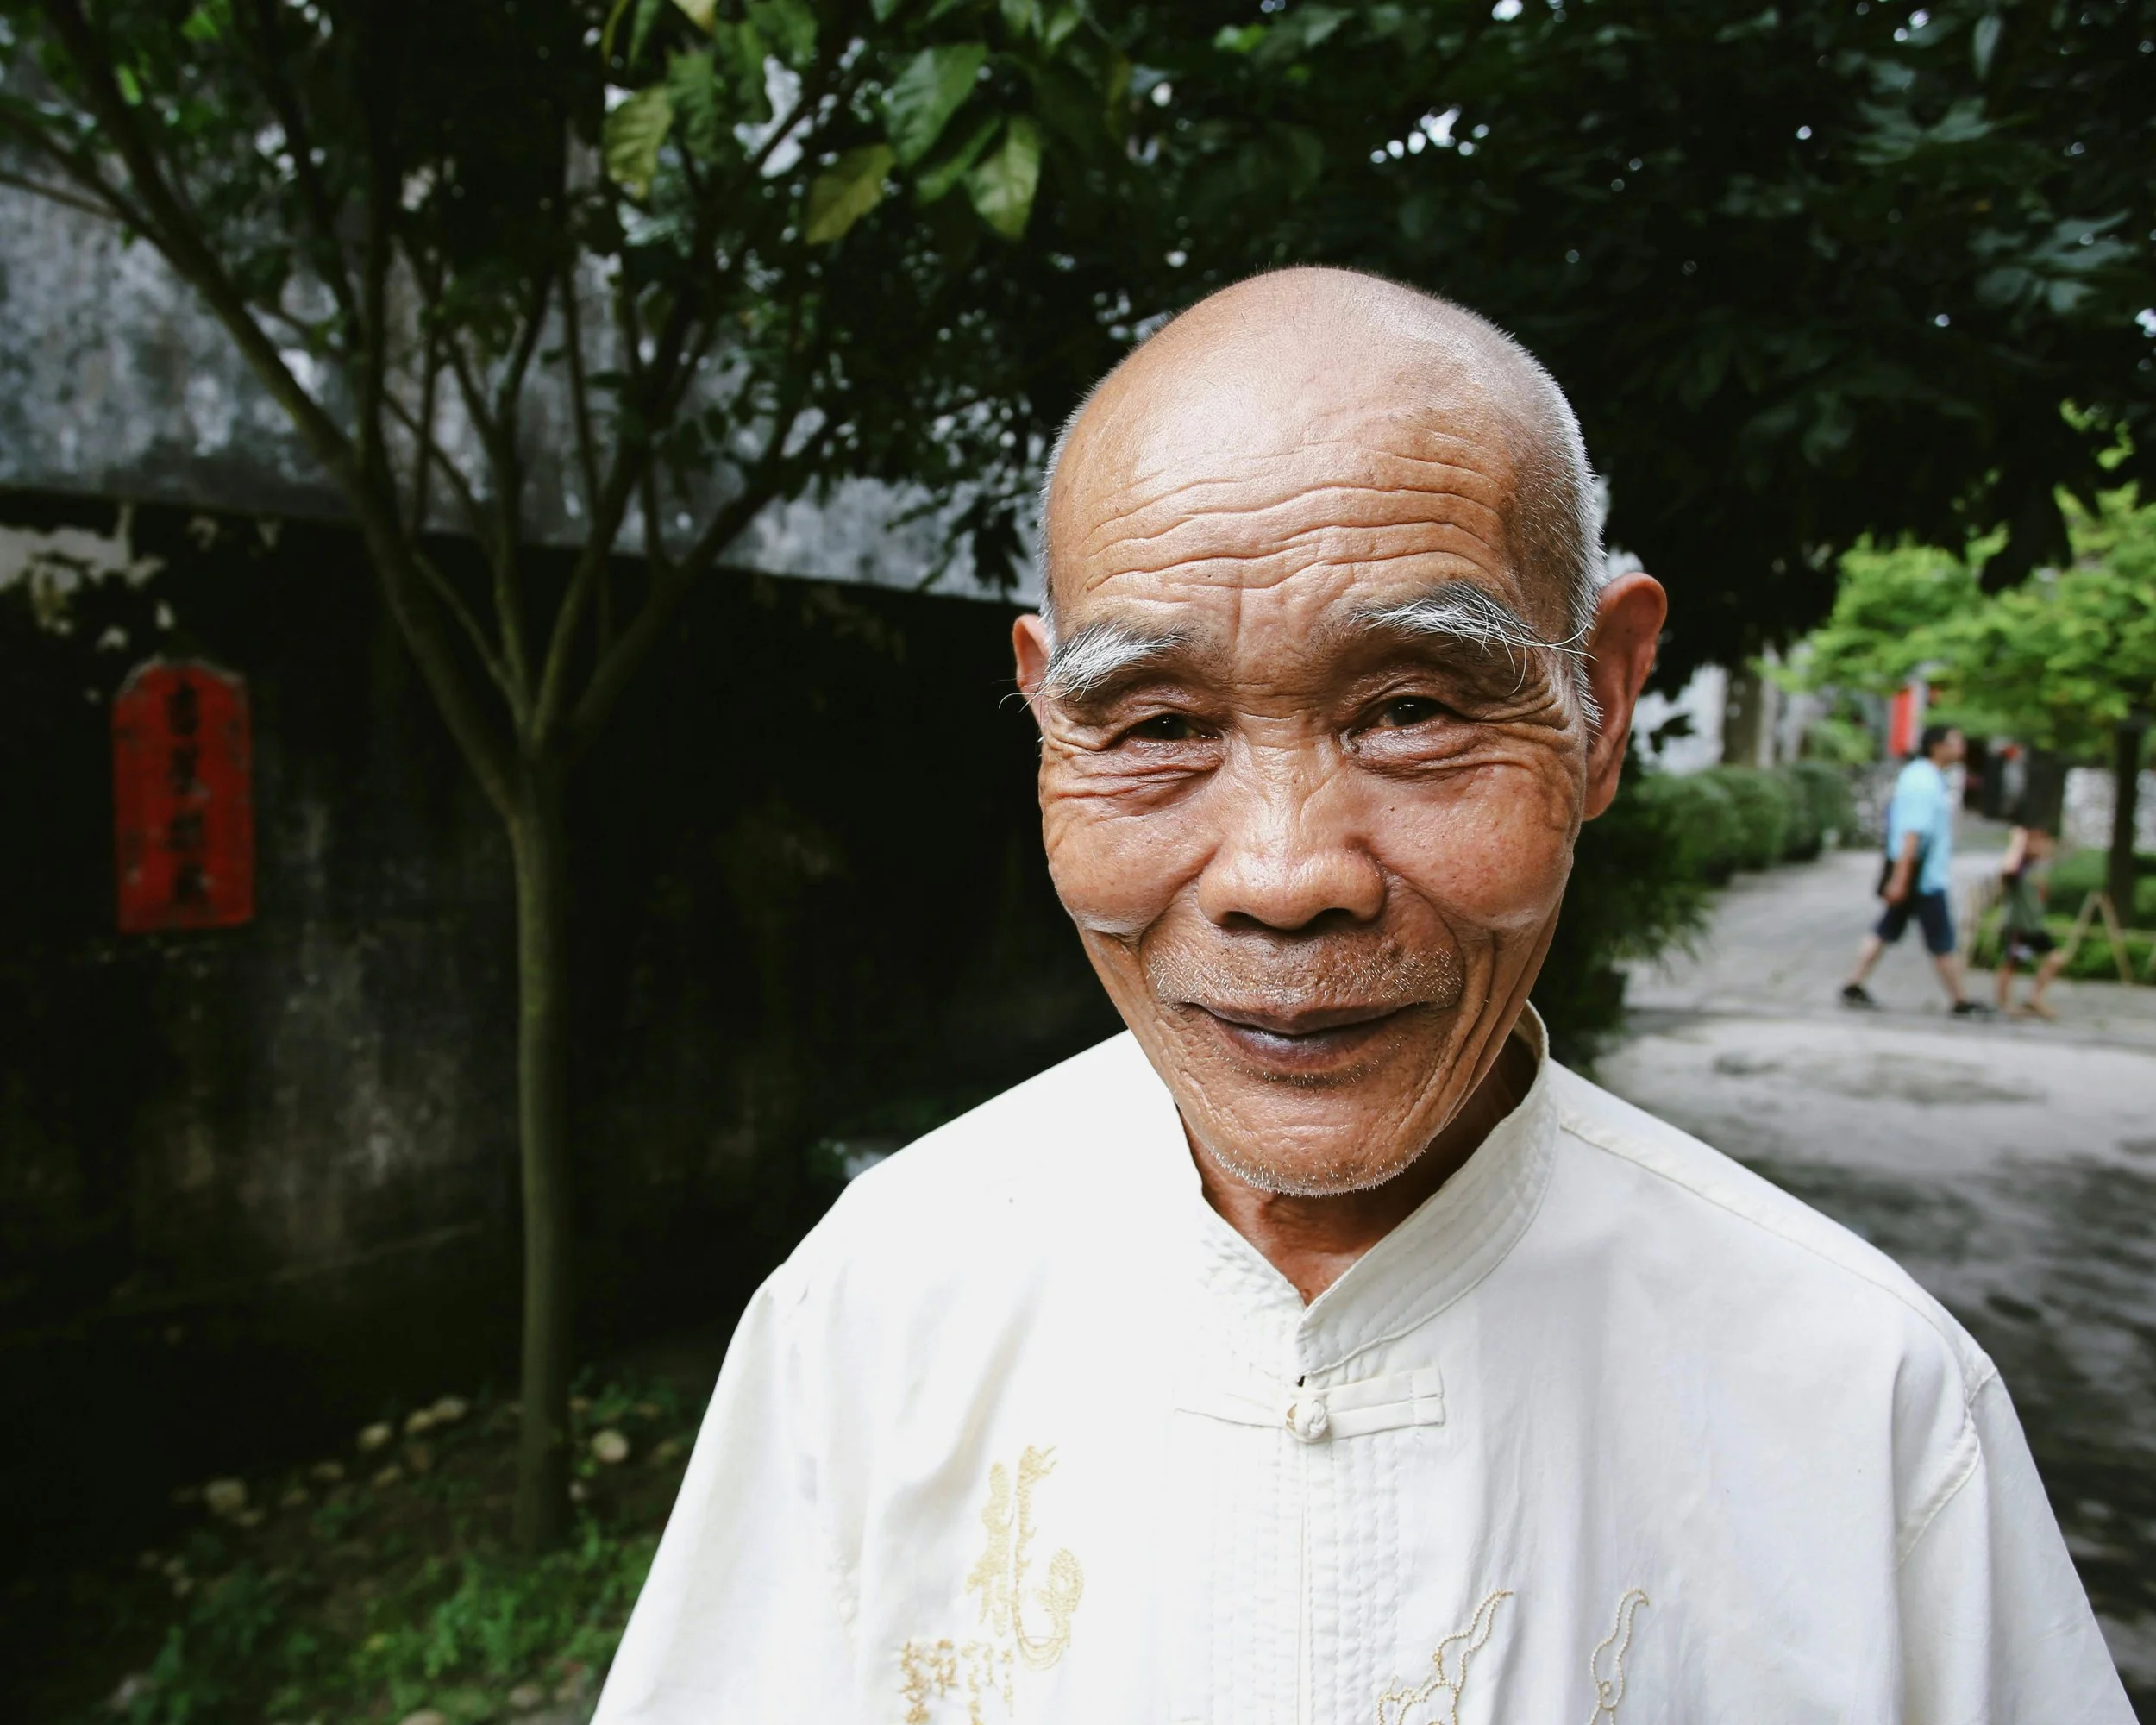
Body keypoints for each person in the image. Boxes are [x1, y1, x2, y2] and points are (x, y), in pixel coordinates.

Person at [594, 271, 2128, 1720]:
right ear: (1048, 713)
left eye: (1411, 708)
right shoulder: (875, 1311)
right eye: (1155, 719)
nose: (1281, 873)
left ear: (1600, 704)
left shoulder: (1863, 1409)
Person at [1841, 722, 1989, 1013]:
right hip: (1922, 876)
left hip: (1917, 872)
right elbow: (1913, 832)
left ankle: (1854, 983)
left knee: (1885, 930)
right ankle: (1960, 999)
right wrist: (1901, 877)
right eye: (1955, 741)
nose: (1961, 747)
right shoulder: (1924, 780)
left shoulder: (1925, 776)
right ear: (1937, 746)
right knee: (1942, 940)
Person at [1996, 819, 2067, 1018]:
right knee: (2011, 965)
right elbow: (2007, 870)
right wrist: (2017, 841)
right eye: (2036, 842)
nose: (2042, 846)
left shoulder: (2041, 867)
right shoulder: (2019, 868)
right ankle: (2004, 1005)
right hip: (2018, 927)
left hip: (2035, 927)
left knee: (2056, 959)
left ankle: (2034, 998)